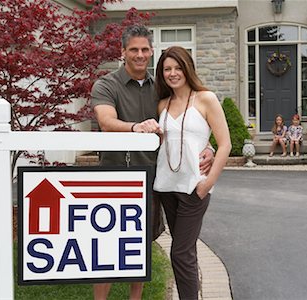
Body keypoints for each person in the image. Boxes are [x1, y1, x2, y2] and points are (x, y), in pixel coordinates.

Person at [91, 25, 214, 300]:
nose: (140, 54)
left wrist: (208, 145)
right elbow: (106, 122)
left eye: (145, 49)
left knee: (139, 246)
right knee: (107, 247)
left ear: (151, 51)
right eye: (133, 49)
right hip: (113, 179)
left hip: (150, 180)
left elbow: (184, 121)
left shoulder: (160, 88)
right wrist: (136, 128)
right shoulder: (106, 85)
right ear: (122, 52)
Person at [153, 46, 231, 300]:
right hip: (166, 186)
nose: (173, 73)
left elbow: (225, 144)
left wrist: (207, 184)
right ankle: (192, 290)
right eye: (167, 69)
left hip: (193, 188)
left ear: (187, 69)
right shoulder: (163, 104)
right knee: (185, 252)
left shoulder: (205, 98)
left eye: (177, 68)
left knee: (179, 253)